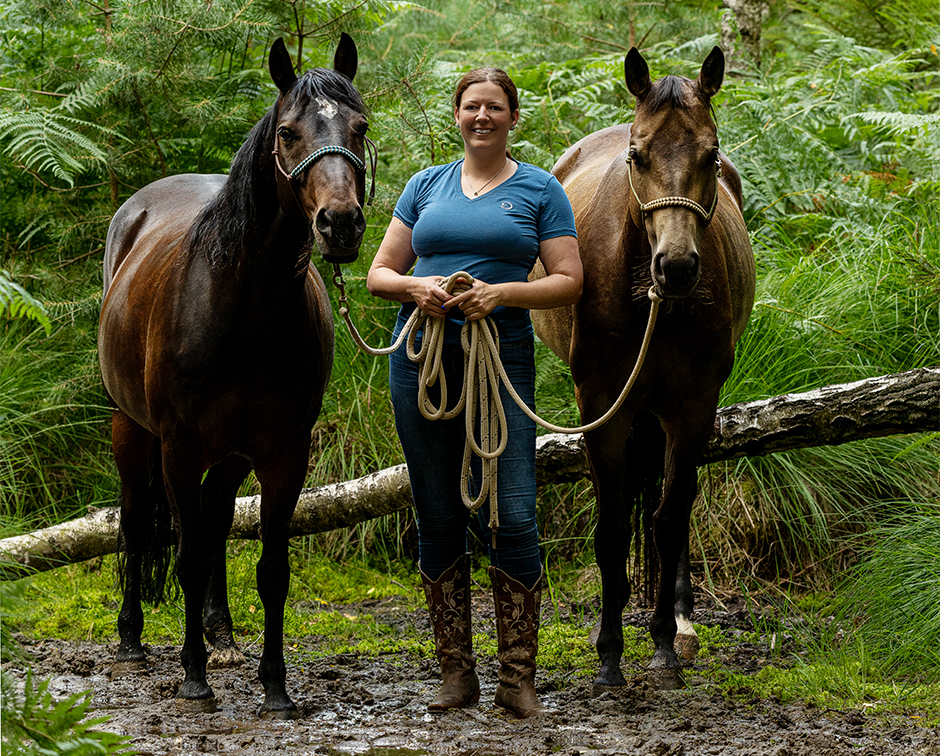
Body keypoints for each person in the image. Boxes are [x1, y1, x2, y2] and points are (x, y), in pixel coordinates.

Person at [366, 67, 581, 719]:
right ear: (456, 116)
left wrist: (504, 292)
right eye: (470, 106)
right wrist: (415, 289)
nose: (481, 116)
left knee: (513, 512)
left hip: (502, 356)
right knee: (437, 514)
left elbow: (571, 279)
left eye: (494, 107)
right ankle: (455, 675)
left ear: (514, 118)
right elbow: (380, 272)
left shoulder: (541, 190)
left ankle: (518, 679)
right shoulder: (424, 186)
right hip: (422, 355)